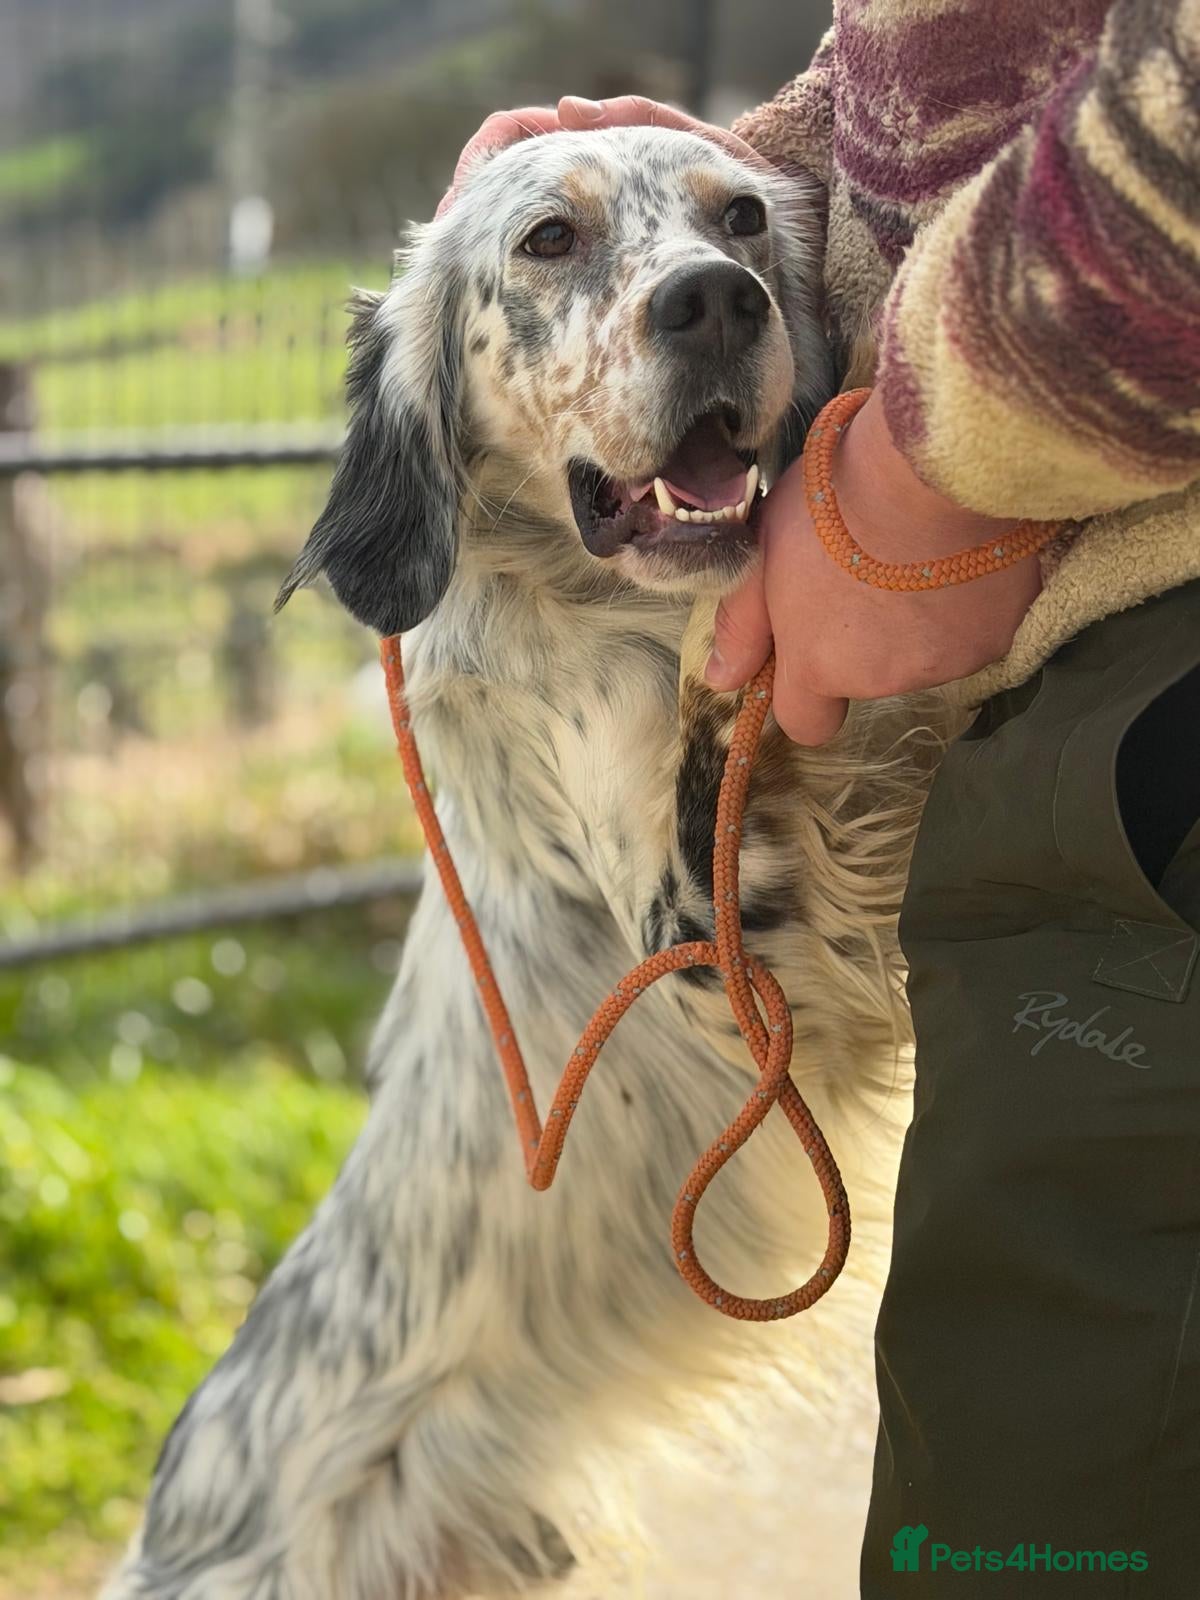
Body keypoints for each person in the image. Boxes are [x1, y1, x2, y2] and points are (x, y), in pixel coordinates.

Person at [447, 3, 1200, 1592]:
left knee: (1028, 1533)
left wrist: (920, 483)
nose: (704, 277)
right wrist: (755, 173)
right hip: (1094, 694)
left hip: (1152, 679)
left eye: (734, 251)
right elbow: (1012, 41)